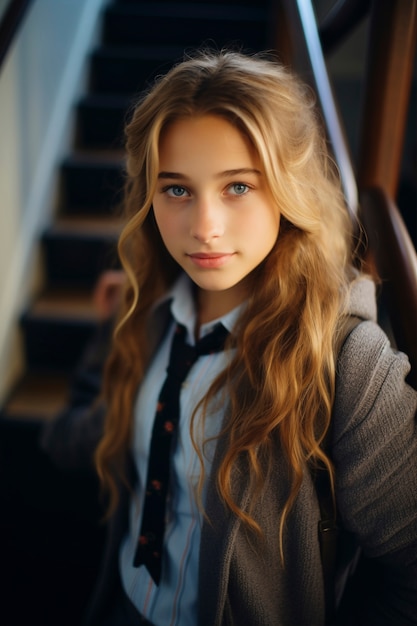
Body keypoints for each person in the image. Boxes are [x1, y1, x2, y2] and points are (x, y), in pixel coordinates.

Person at [42, 50, 417, 626]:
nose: (205, 227)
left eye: (237, 186)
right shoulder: (149, 314)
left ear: (288, 191)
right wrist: (109, 332)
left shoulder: (352, 366)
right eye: (176, 190)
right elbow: (72, 443)